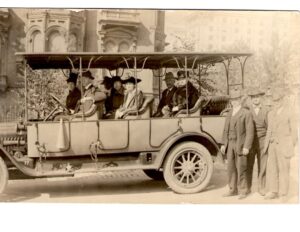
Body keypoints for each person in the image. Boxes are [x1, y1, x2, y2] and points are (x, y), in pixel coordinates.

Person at [263, 87, 298, 200]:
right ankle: (273, 191)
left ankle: (283, 193)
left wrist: (290, 146)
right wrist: (267, 145)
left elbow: (294, 132)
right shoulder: (270, 113)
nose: (276, 102)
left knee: (284, 169)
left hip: (284, 145)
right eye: (274, 100)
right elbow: (269, 130)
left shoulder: (290, 112)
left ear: (282, 99)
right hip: (272, 145)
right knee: (272, 168)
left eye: (278, 100)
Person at [220, 88, 255, 199]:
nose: (234, 101)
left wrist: (246, 147)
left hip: (240, 144)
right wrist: (223, 144)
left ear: (240, 100)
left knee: (241, 167)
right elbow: (225, 129)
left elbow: (250, 132)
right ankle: (232, 189)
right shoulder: (229, 113)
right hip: (230, 144)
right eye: (232, 99)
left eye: (236, 99)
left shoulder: (246, 113)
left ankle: (243, 190)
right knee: (231, 168)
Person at [246, 88, 269, 196]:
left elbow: (270, 127)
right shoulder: (247, 109)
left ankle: (262, 187)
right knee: (249, 164)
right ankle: (247, 187)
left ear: (261, 97)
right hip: (250, 141)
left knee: (262, 165)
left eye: (257, 97)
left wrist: (268, 142)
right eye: (253, 97)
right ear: (251, 99)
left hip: (263, 140)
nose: (255, 99)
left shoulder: (266, 110)